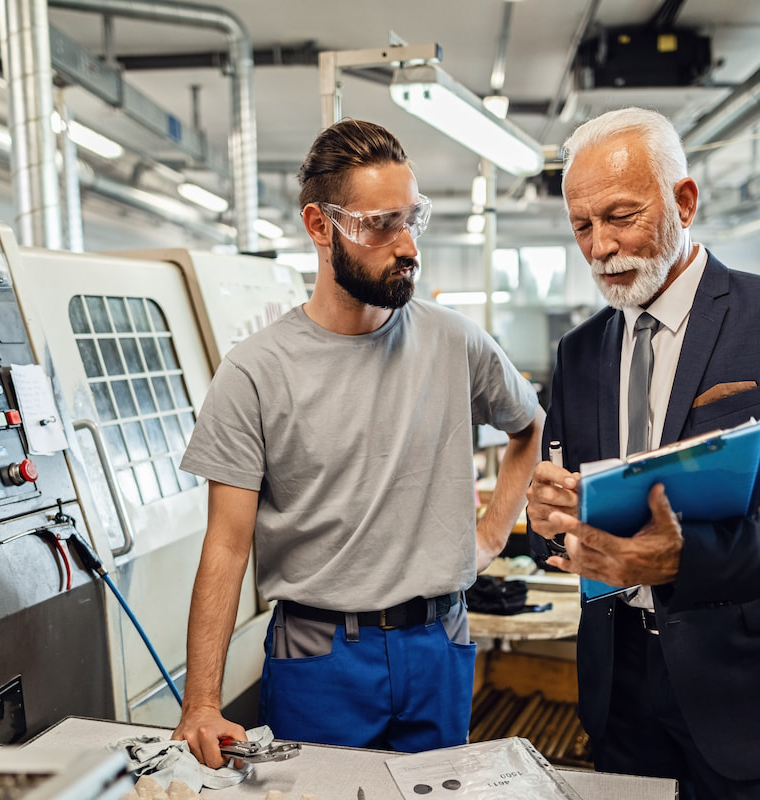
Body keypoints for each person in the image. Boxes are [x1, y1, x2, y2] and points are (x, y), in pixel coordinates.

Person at [525, 107, 760, 800]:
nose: (600, 247)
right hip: (619, 686)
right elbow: (570, 511)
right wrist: (549, 522)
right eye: (581, 227)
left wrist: (689, 559)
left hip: (749, 686)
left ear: (685, 201)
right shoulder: (580, 353)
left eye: (621, 216)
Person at [172, 119, 543, 767]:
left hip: (440, 644)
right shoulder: (256, 371)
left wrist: (489, 535)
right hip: (320, 658)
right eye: (381, 225)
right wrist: (201, 700)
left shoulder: (456, 342)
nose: (408, 247)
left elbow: (528, 425)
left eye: (413, 220)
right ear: (321, 226)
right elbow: (227, 545)